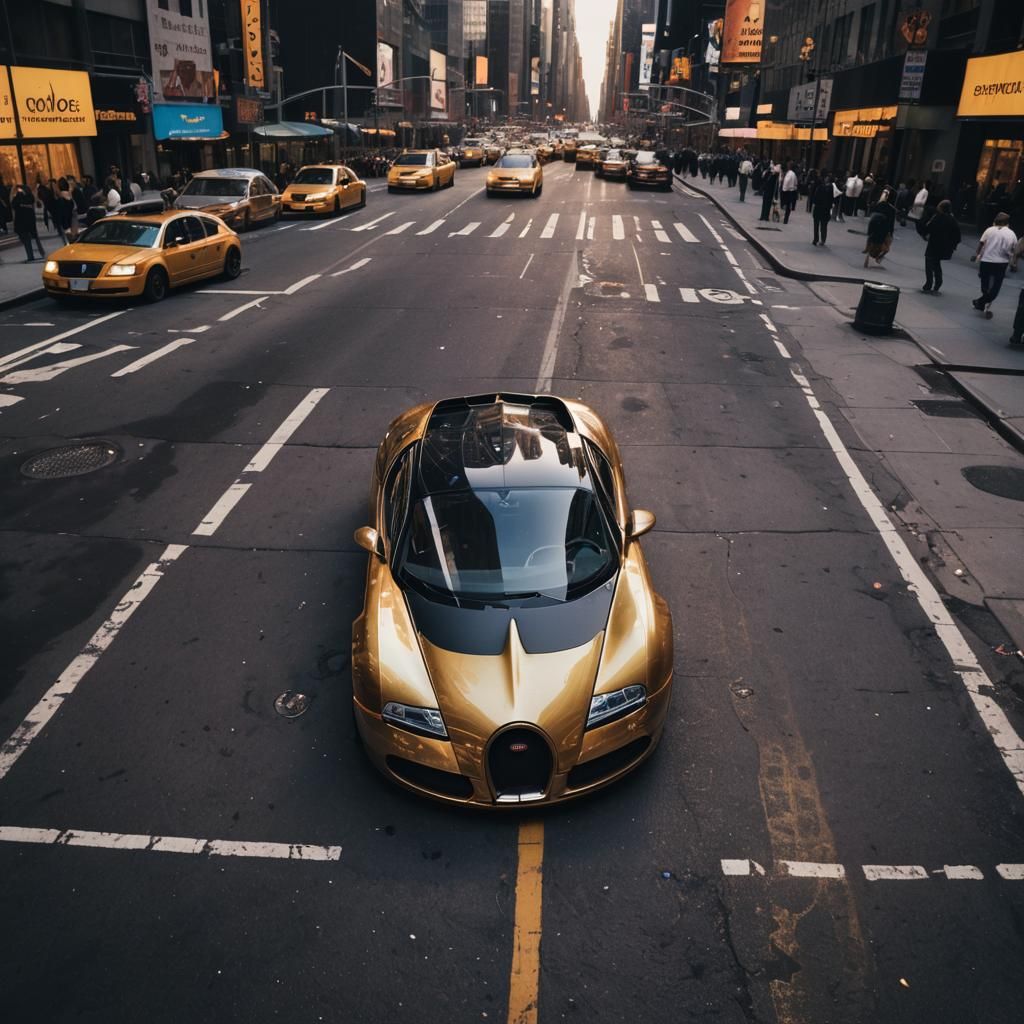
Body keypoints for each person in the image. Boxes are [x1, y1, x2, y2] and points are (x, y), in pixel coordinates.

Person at [971, 211, 1018, 318]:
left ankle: (981, 302)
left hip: (986, 260)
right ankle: (981, 302)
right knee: (996, 286)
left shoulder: (989, 230)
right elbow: (1014, 249)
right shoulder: (1011, 234)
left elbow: (981, 243)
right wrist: (1013, 263)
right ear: (1007, 222)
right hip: (1001, 262)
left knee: (985, 285)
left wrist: (977, 254)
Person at [921, 199, 961, 294]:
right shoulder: (953, 220)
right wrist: (952, 246)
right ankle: (938, 283)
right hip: (944, 247)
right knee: (936, 263)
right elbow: (958, 236)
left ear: (941, 208)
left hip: (934, 244)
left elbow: (928, 228)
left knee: (929, 263)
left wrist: (924, 233)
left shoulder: (937, 217)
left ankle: (929, 284)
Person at [12, 184, 45, 261]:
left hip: (23, 221)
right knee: (30, 238)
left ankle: (32, 256)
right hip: (27, 220)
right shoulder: (28, 197)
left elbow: (14, 204)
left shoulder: (22, 197)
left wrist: (18, 195)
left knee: (27, 238)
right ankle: (35, 254)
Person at [864, 191, 896, 267]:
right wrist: (891, 233)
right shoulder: (892, 209)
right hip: (883, 227)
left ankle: (868, 253)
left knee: (873, 241)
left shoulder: (880, 204)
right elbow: (891, 223)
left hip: (873, 225)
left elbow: (872, 212)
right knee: (884, 246)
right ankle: (875, 259)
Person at [811, 173, 834, 245]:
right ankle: (822, 240)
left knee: (817, 225)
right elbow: (832, 200)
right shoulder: (831, 188)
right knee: (823, 226)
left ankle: (816, 239)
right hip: (825, 209)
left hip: (819, 208)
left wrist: (813, 207)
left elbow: (815, 198)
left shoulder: (820, 187)